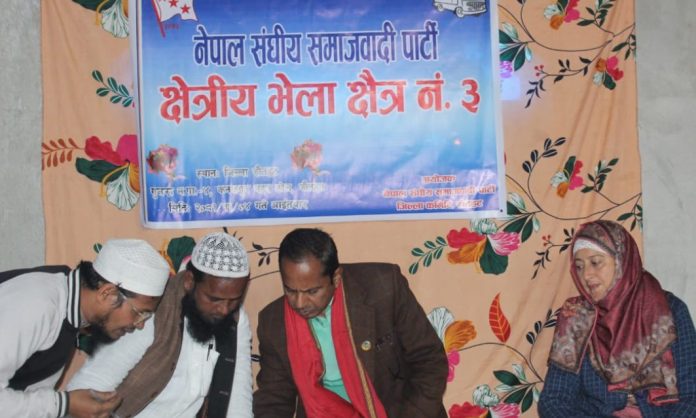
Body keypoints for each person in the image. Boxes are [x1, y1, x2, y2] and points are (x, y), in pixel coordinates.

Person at [253, 228, 448, 418]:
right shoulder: (274, 322)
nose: (299, 303)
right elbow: (274, 400)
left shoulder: (383, 287)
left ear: (336, 278)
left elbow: (429, 360)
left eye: (312, 292)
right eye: (290, 290)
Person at [67, 232, 253, 418]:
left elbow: (238, 398)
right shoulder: (147, 312)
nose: (224, 310)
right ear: (189, 282)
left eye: (234, 300)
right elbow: (92, 383)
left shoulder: (235, 320)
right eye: (214, 299)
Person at [539, 220, 696, 417]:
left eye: (596, 262)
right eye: (579, 266)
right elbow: (553, 399)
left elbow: (692, 396)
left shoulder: (669, 311)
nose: (586, 275)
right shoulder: (576, 318)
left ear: (622, 260)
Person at [0, 238, 171, 418]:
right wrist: (64, 404)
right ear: (107, 294)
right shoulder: (37, 304)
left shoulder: (69, 310)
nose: (140, 324)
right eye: (140, 313)